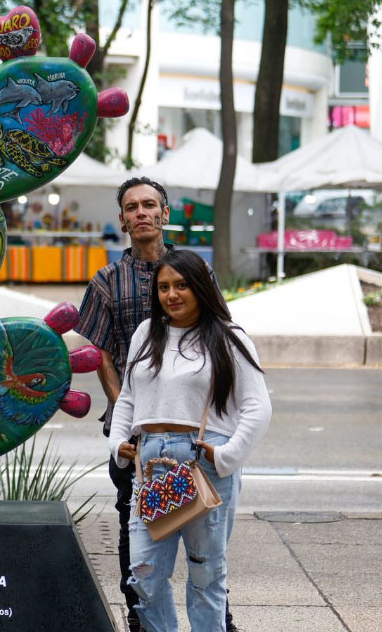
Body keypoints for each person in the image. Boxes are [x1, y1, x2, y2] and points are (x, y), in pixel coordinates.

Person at [76, 176, 236, 632]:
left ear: (165, 214)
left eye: (150, 205)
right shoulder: (107, 280)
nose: (141, 212)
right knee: (138, 528)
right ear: (123, 219)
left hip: (194, 432)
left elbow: (221, 336)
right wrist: (127, 419)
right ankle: (142, 618)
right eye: (132, 207)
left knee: (207, 527)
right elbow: (101, 353)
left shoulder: (194, 270)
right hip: (135, 434)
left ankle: (218, 617)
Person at [108, 249, 272, 632]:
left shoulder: (228, 337)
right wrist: (117, 443)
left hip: (204, 462)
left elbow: (257, 407)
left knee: (205, 575)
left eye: (181, 285)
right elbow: (128, 397)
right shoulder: (146, 334)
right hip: (150, 463)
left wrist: (229, 455)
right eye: (164, 287)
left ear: (200, 287)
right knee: (144, 573)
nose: (172, 295)